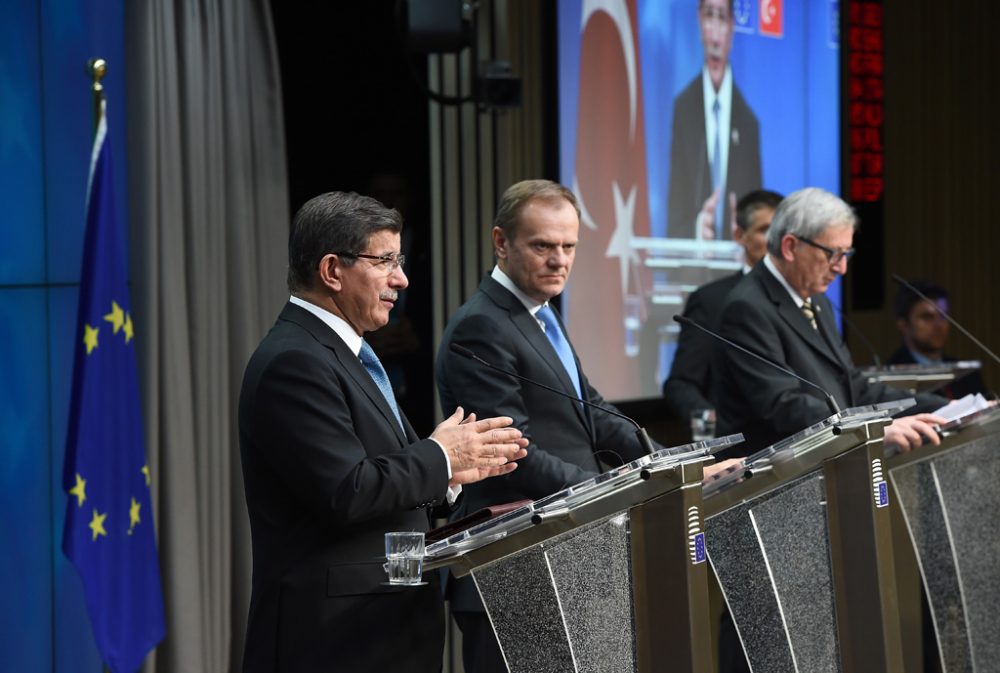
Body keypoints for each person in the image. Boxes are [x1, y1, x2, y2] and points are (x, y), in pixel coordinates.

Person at [436, 179, 740, 673]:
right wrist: (612, 491)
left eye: (569, 246)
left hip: (567, 552)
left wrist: (676, 466)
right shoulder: (483, 326)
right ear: (501, 242)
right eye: (542, 246)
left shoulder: (539, 314)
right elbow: (513, 452)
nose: (559, 260)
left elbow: (591, 409)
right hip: (517, 565)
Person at [238, 191, 528, 673]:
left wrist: (451, 476)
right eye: (386, 261)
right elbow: (346, 490)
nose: (402, 279)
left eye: (400, 260)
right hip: (335, 641)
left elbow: (382, 476)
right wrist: (439, 456)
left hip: (387, 624)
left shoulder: (347, 354)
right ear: (332, 270)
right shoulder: (295, 362)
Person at [713, 187, 948, 457]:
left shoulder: (816, 300)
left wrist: (942, 407)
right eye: (833, 254)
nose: (841, 268)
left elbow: (854, 389)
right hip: (776, 486)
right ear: (790, 247)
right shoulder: (747, 308)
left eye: (846, 255)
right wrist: (874, 429)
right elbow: (784, 407)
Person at [664, 189, 783, 424]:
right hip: (744, 449)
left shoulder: (808, 297)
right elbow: (681, 385)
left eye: (782, 231)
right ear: (740, 235)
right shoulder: (711, 300)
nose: (774, 239)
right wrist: (714, 427)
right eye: (764, 229)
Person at [668, 0, 762, 240]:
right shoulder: (683, 109)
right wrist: (696, 229)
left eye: (722, 17)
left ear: (732, 26)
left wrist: (744, 234)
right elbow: (674, 213)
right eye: (709, 16)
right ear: (700, 22)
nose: (716, 29)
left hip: (736, 266)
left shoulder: (749, 122)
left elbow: (760, 220)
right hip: (693, 268)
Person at [888, 279, 989, 398]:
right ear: (903, 325)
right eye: (927, 317)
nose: (938, 325)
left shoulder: (968, 374)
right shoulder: (891, 376)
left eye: (943, 316)